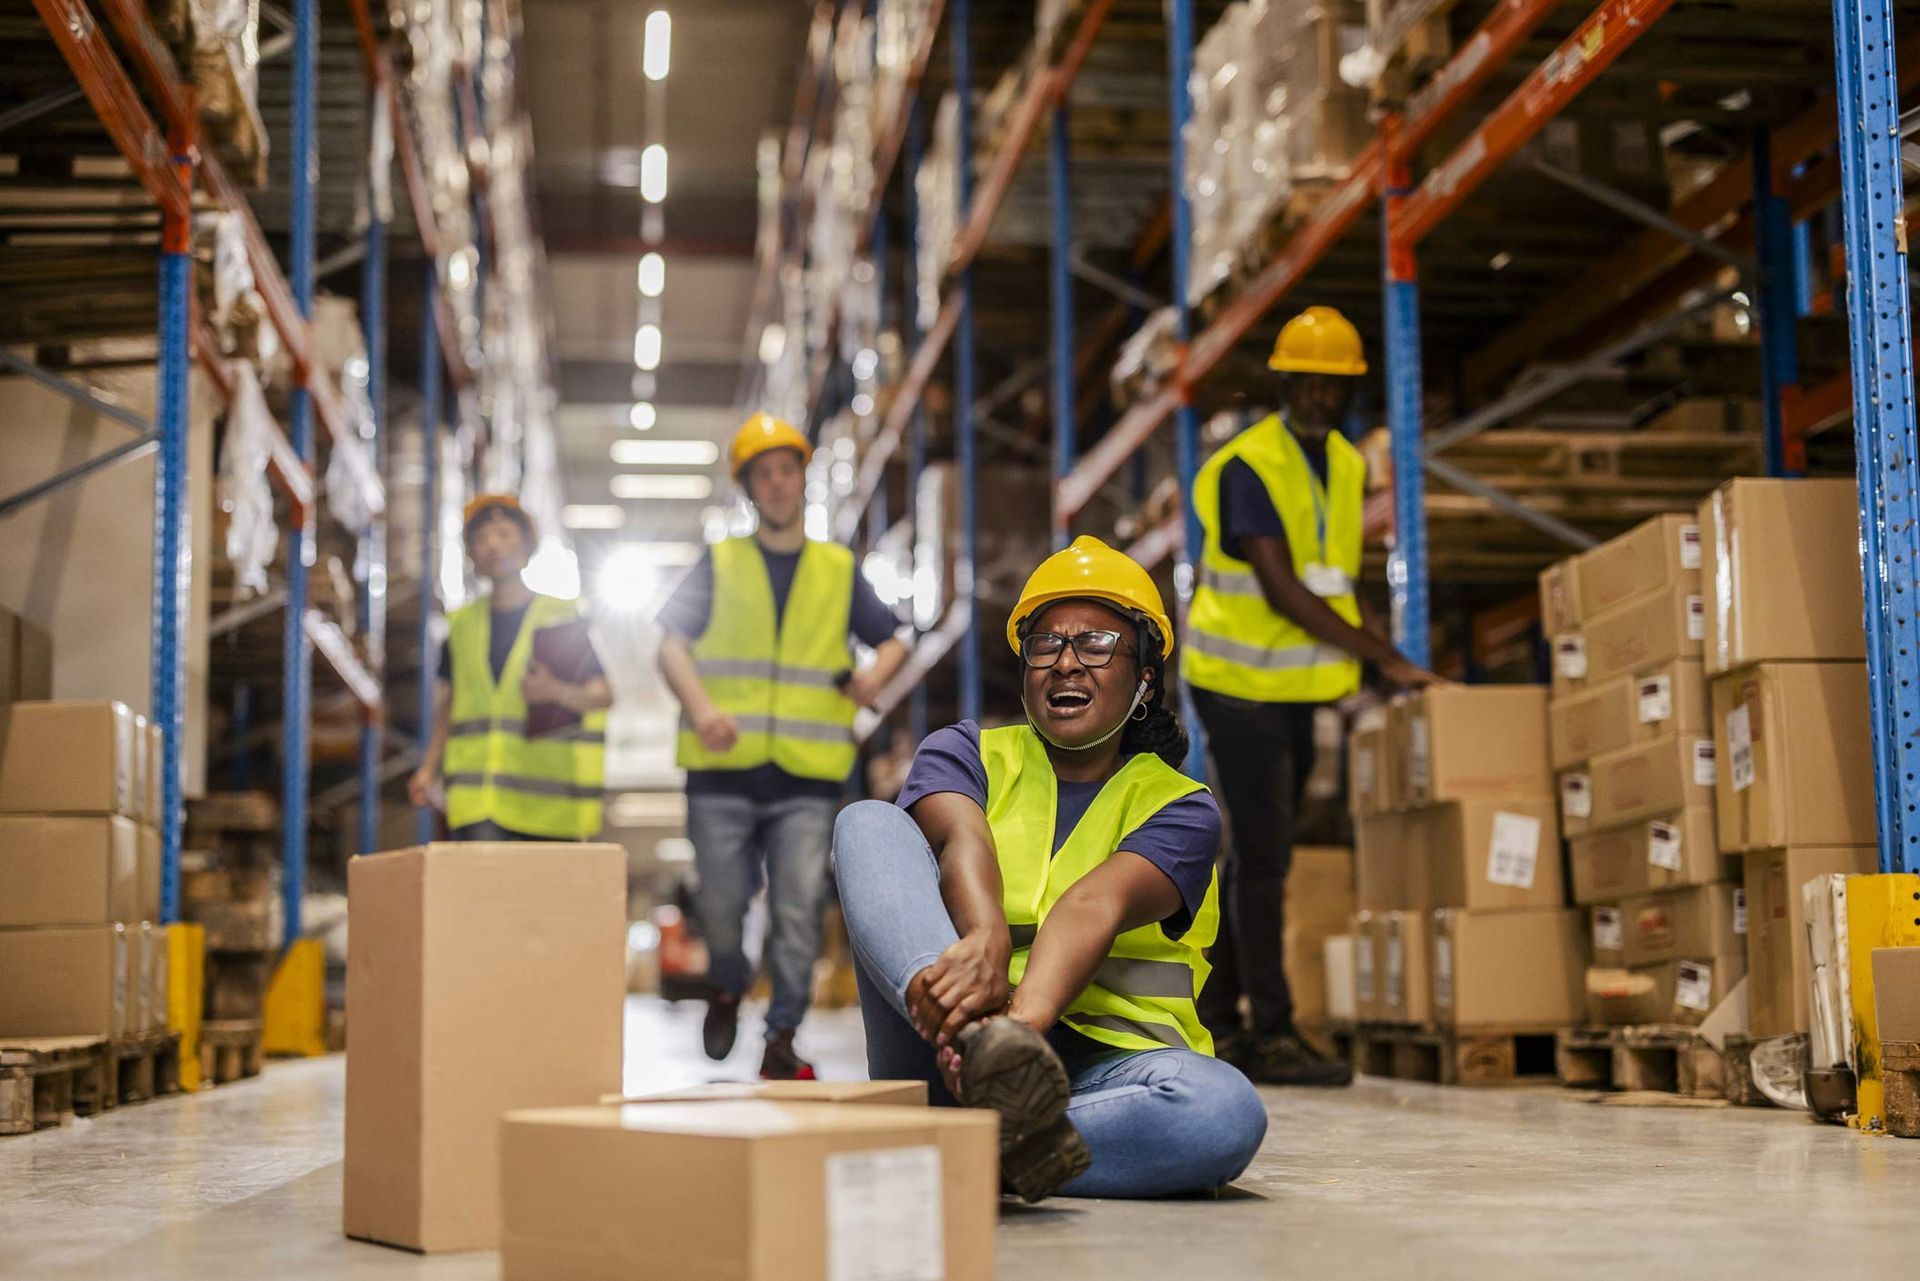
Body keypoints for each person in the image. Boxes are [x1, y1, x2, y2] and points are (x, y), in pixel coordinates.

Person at [831, 537, 1268, 1202]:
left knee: (1221, 1110)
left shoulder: (1182, 807)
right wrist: (984, 964)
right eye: (1046, 644)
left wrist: (1014, 1035)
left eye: (1095, 644)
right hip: (944, 1043)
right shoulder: (966, 750)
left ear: (1144, 676)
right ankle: (992, 1133)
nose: (1066, 663)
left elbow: (1094, 903)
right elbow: (963, 839)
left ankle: (975, 1148)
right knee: (867, 821)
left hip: (1103, 1076)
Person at [1185, 305, 1440, 1087]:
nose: (1324, 397)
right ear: (1286, 379)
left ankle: (1224, 1022)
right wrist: (1380, 660)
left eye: (1338, 386)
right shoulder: (1247, 466)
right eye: (1312, 381)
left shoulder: (1346, 464)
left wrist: (1389, 654)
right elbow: (1284, 587)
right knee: (1263, 857)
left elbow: (1338, 579)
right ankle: (1272, 1030)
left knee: (1258, 857)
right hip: (1236, 683)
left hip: (1295, 689)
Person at [657, 413, 911, 1081]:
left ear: (802, 479)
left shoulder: (836, 567)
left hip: (806, 775)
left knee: (799, 905)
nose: (775, 484)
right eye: (761, 474)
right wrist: (704, 709)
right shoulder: (720, 563)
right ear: (748, 487)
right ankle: (725, 981)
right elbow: (670, 645)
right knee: (720, 904)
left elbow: (893, 638)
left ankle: (781, 1035)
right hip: (721, 771)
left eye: (785, 470)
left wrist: (869, 680)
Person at [408, 494, 614, 841]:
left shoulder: (559, 617)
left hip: (548, 805)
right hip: (478, 803)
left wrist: (554, 691)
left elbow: (602, 695)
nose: (493, 545)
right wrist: (428, 769)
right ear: (471, 553)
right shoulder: (462, 626)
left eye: (504, 534)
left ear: (527, 546)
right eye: (482, 538)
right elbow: (450, 703)